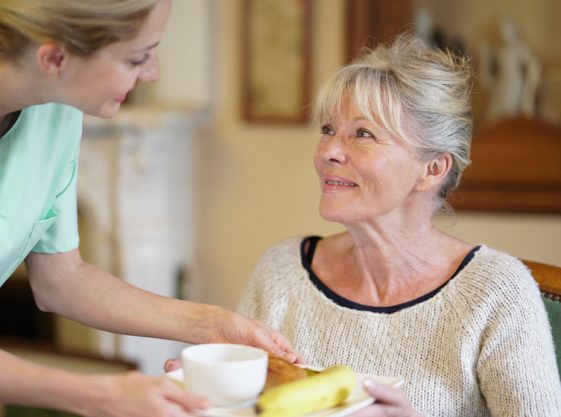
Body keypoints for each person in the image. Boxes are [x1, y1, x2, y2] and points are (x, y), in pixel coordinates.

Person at [0, 1, 299, 416]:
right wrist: (100, 396)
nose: (152, 73)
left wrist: (210, 323)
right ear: (55, 57)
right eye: (136, 58)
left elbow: (61, 279)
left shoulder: (55, 110)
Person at [237, 34, 561, 416]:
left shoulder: (497, 294)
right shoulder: (281, 272)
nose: (328, 152)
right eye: (328, 130)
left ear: (432, 169)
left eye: (363, 134)